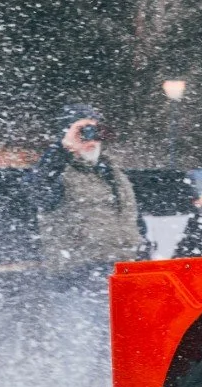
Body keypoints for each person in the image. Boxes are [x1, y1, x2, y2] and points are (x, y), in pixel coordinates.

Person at [25, 104, 148, 282]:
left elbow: (132, 218)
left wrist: (142, 251)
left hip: (124, 271)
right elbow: (38, 193)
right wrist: (62, 149)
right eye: (83, 132)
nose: (92, 140)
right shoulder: (56, 170)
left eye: (95, 132)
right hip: (78, 275)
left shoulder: (113, 172)